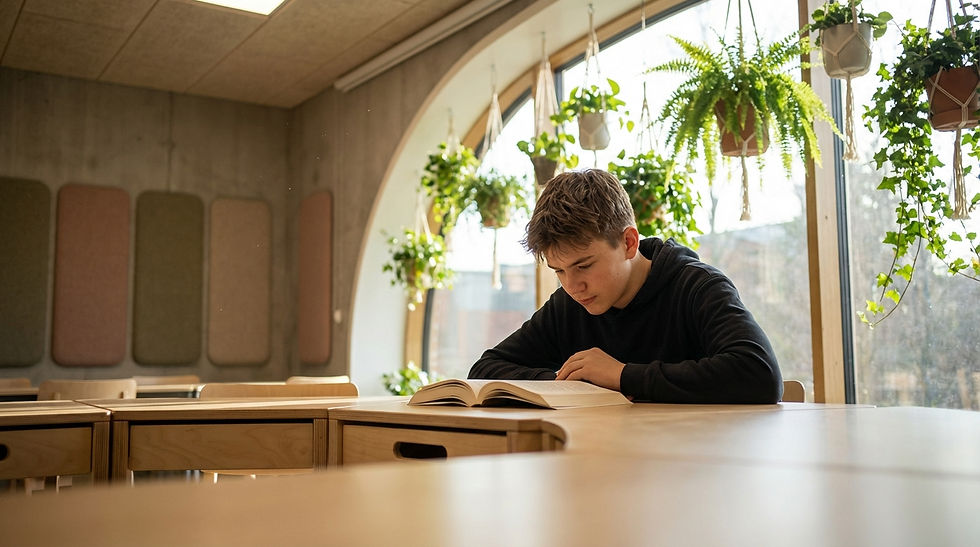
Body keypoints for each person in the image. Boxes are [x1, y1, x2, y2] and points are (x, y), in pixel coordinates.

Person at [468, 169, 783, 403]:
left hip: (696, 464)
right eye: (559, 271)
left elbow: (759, 374)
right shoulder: (568, 304)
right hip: (605, 459)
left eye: (584, 265)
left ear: (629, 242)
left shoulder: (697, 287)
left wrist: (621, 375)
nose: (573, 285)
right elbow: (486, 368)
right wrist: (569, 383)